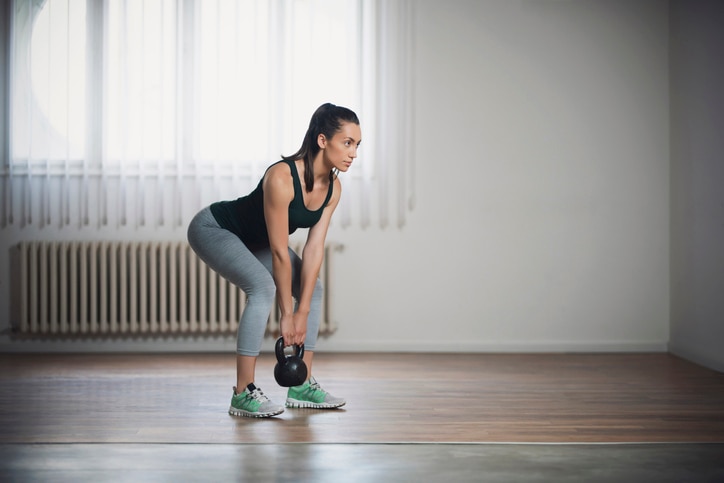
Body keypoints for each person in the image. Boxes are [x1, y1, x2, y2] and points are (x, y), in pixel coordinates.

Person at [187, 103, 361, 418]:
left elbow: (314, 248)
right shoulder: (281, 176)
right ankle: (242, 392)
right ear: (323, 140)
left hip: (256, 240)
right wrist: (287, 314)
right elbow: (280, 251)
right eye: (347, 143)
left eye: (357, 145)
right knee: (262, 288)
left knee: (314, 289)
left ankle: (301, 383)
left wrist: (303, 309)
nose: (354, 153)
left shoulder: (333, 188)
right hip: (215, 228)